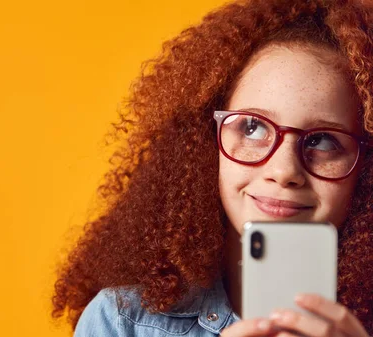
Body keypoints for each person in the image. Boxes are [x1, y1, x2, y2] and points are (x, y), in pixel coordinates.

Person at [51, 0, 373, 336]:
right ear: (206, 145)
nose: (284, 170)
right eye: (252, 127)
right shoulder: (120, 322)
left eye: (322, 140)